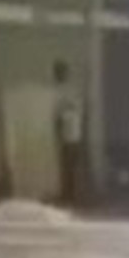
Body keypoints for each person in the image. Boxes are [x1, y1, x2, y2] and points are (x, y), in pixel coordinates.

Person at [53, 61, 85, 206]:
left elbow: (71, 111)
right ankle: (69, 195)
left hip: (72, 134)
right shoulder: (60, 90)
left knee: (70, 166)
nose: (58, 75)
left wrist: (62, 117)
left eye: (60, 72)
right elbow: (59, 113)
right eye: (57, 72)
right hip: (67, 134)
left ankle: (71, 196)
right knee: (66, 166)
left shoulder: (70, 90)